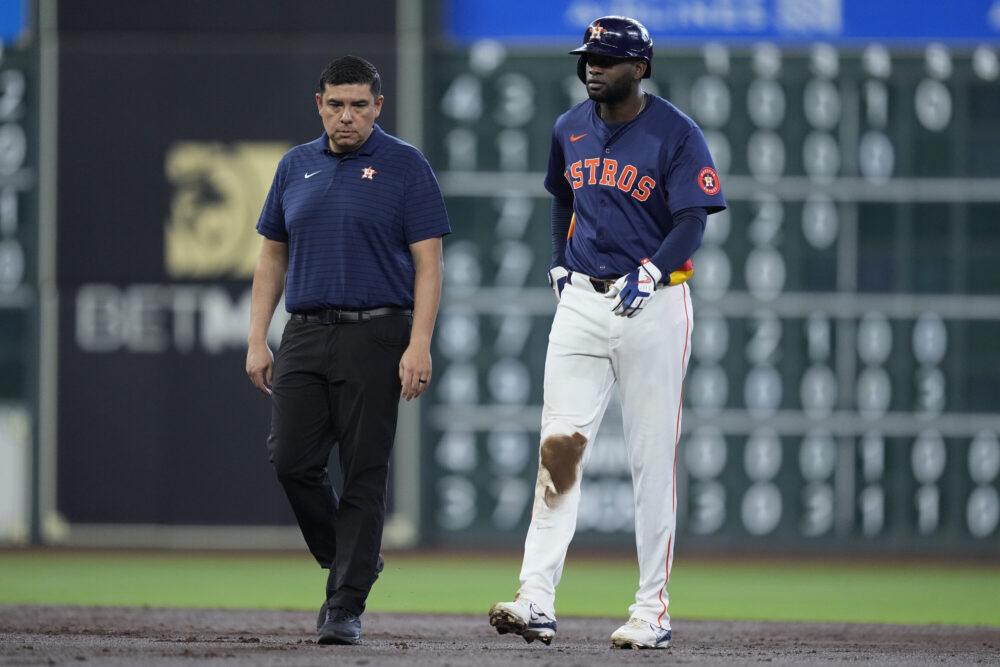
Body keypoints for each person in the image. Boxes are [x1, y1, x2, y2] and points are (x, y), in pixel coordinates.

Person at [489, 16, 726, 650]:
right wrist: (559, 261)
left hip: (655, 302)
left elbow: (692, 218)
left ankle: (653, 611)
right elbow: (561, 198)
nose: (592, 65)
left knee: (652, 462)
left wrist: (652, 270)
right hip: (583, 306)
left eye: (607, 57)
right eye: (587, 55)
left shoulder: (676, 133)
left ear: (640, 67)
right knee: (557, 449)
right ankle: (535, 598)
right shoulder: (569, 127)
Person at [246, 55, 450, 646]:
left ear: (378, 106)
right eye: (336, 104)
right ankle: (351, 557)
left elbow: (429, 263)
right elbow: (271, 257)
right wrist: (257, 337)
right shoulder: (295, 166)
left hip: (378, 333)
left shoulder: (405, 166)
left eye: (359, 104)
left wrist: (419, 342)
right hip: (305, 331)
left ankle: (344, 606)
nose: (347, 116)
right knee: (290, 460)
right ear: (319, 105)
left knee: (364, 470)